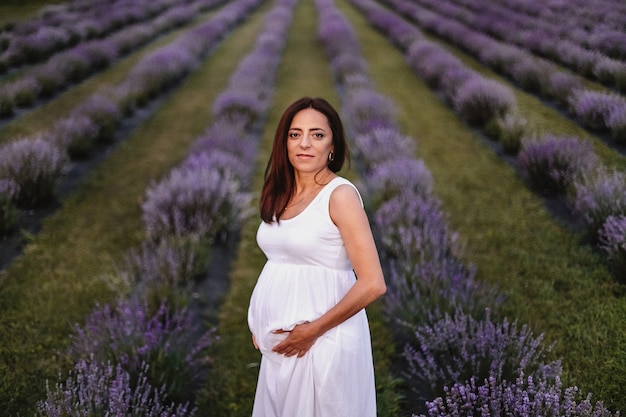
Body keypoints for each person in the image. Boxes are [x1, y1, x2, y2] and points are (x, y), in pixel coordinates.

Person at [247, 96, 387, 417]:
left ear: (333, 146)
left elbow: (373, 284)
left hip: (323, 342)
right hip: (282, 351)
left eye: (317, 135)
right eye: (295, 134)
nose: (305, 143)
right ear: (284, 142)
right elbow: (280, 261)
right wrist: (260, 319)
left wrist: (312, 331)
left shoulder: (340, 196)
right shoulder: (282, 191)